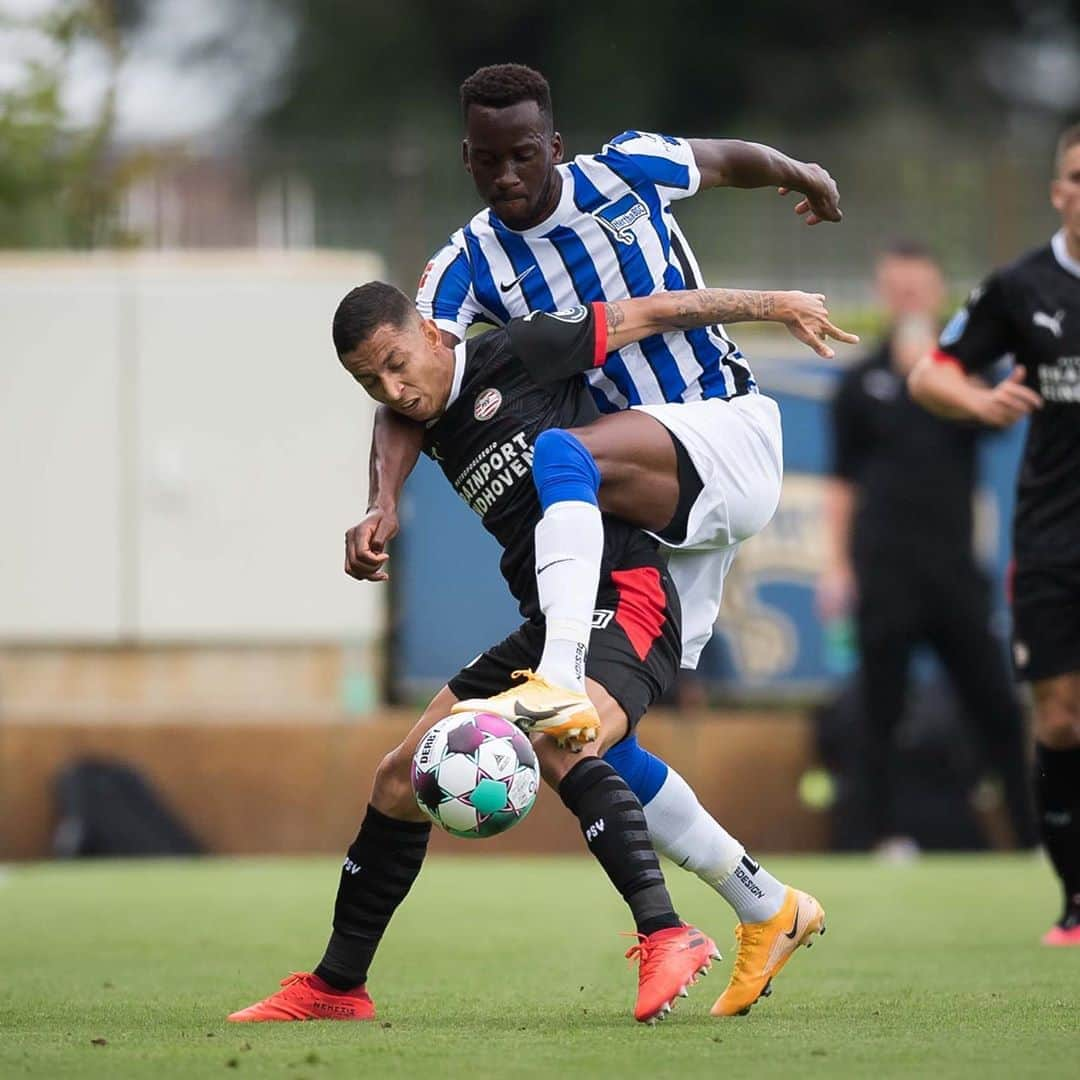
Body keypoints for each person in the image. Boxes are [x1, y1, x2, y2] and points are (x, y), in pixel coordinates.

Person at [343, 62, 848, 1013]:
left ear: (555, 146)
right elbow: (405, 384)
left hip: (724, 432)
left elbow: (728, 158)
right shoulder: (462, 268)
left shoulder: (630, 171)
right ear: (466, 157)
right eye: (486, 162)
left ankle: (559, 669)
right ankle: (767, 906)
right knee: (595, 740)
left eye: (523, 157)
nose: (506, 177)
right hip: (653, 501)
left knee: (561, 457)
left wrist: (797, 170)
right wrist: (383, 501)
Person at [228, 282, 829, 1025]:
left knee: (553, 735)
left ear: (429, 329)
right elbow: (397, 417)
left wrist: (775, 306)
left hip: (628, 590)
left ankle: (666, 931)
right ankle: (336, 987)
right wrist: (379, 505)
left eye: (396, 363)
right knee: (398, 778)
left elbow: (657, 311)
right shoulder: (416, 408)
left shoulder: (521, 347)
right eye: (369, 381)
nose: (393, 388)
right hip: (547, 621)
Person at [908, 124, 1080, 945]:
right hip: (1051, 535)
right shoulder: (1023, 287)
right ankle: (1076, 900)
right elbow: (928, 372)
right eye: (1078, 177)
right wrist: (979, 402)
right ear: (1058, 190)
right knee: (1058, 719)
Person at [819, 241, 1035, 855]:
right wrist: (836, 566)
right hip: (883, 568)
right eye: (898, 288)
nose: (909, 299)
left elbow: (999, 419)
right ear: (884, 294)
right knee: (877, 707)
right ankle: (875, 838)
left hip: (953, 568)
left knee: (996, 703)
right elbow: (842, 483)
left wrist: (937, 375)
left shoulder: (967, 371)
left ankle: (1030, 838)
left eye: (919, 289)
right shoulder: (861, 382)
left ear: (938, 295)